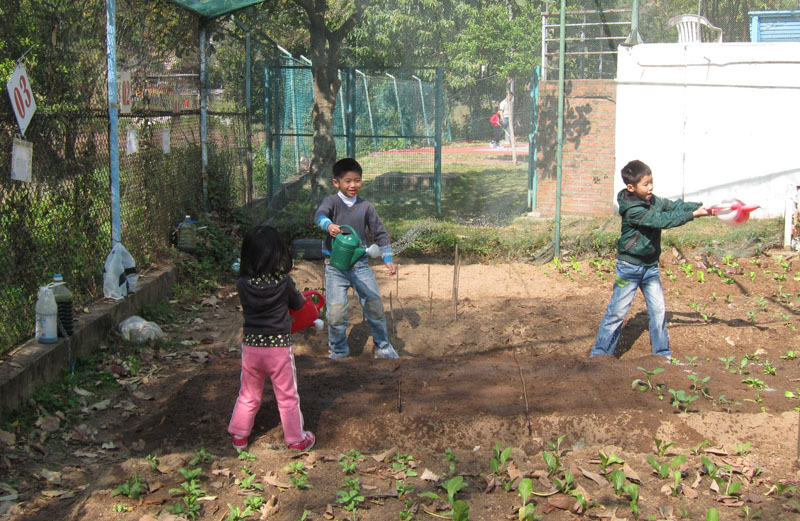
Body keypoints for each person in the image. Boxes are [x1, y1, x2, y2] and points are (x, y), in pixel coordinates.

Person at [590, 160, 711, 360]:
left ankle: (662, 356)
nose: (651, 187)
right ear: (631, 187)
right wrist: (694, 215)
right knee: (616, 313)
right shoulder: (633, 210)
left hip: (650, 268)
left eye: (651, 182)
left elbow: (674, 206)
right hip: (629, 268)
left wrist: (702, 207)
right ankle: (600, 356)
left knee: (658, 313)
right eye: (646, 184)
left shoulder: (652, 200)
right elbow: (662, 220)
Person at [228, 225, 315, 451]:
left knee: (248, 393)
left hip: (252, 348)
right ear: (279, 254)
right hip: (278, 348)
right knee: (287, 396)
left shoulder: (243, 284)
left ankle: (239, 437)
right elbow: (298, 303)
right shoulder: (283, 282)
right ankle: (296, 439)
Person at [314, 157, 400, 360]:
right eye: (348, 181)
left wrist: (387, 257)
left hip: (360, 266)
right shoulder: (331, 202)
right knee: (335, 313)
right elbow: (319, 215)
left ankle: (383, 348)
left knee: (374, 306)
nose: (354, 185)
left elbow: (379, 233)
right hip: (335, 267)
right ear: (336, 182)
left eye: (358, 180)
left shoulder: (366, 206)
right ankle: (339, 351)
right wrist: (328, 225)